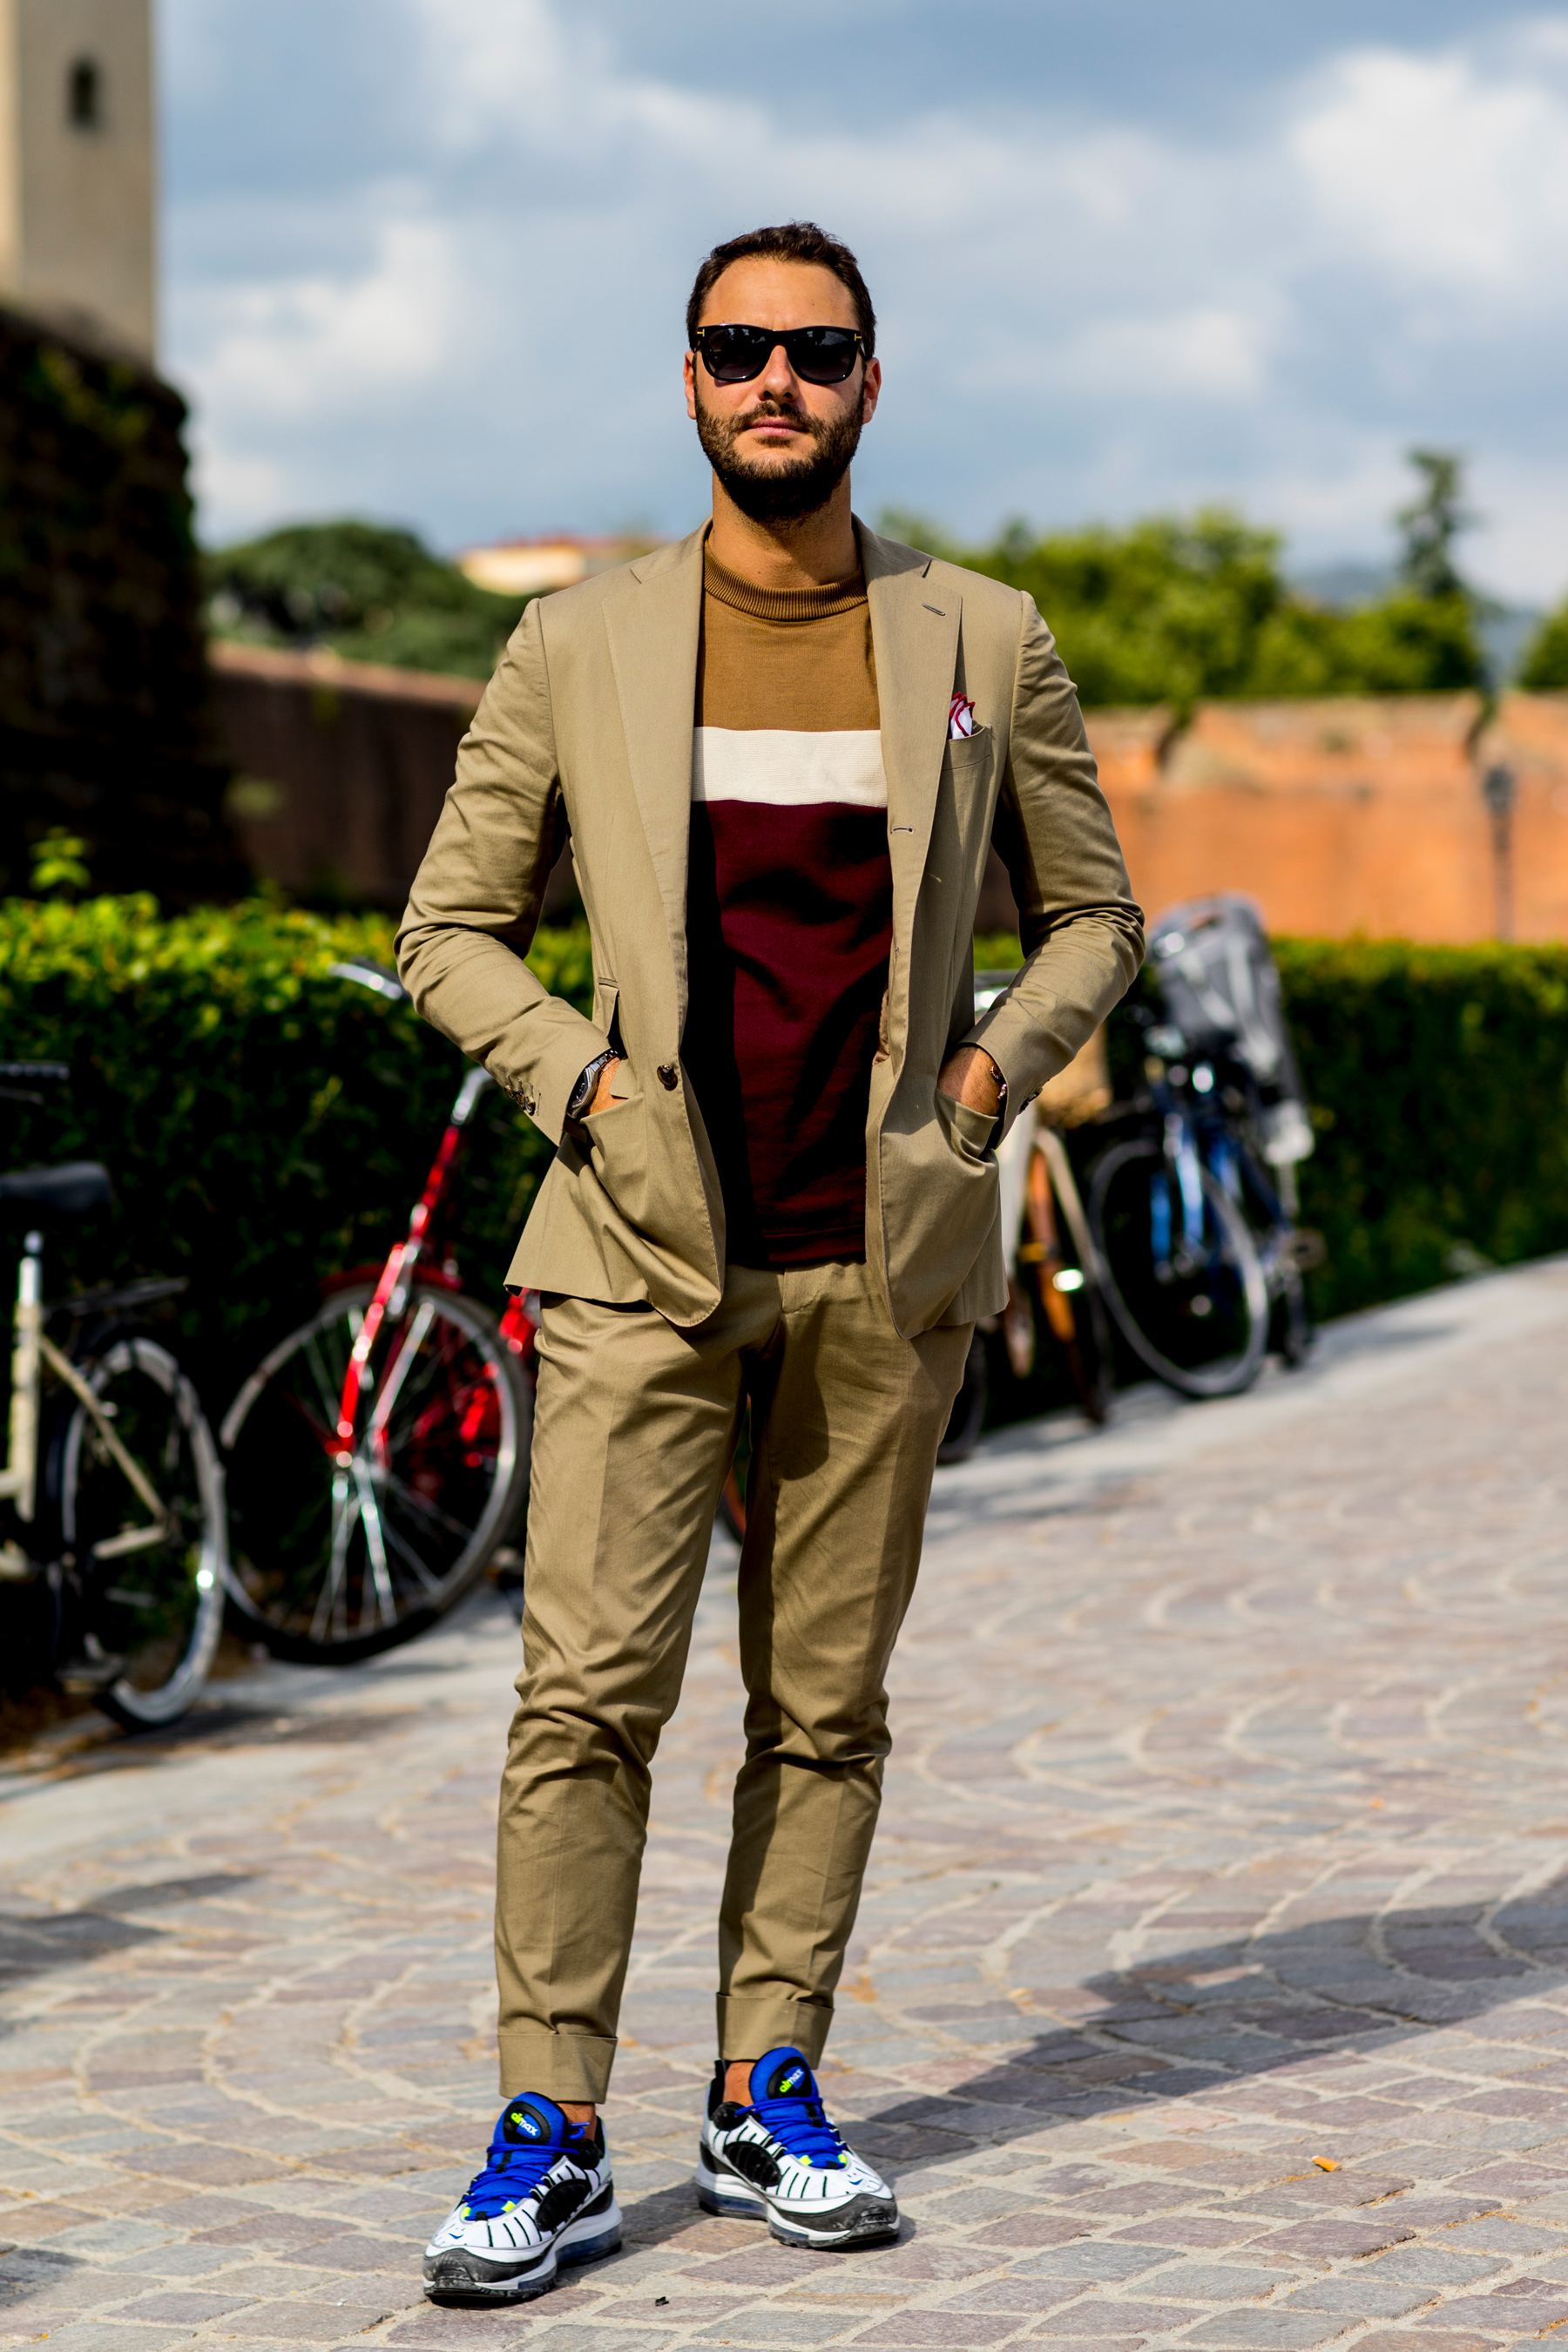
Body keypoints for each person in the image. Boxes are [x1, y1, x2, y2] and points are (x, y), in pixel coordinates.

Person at [397, 220, 1143, 2300]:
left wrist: (982, 1088)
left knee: (825, 1706)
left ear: (871, 384)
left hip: (880, 1257)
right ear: (692, 381)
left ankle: (764, 2087)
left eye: (816, 351)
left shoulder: (982, 637)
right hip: (637, 1251)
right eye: (737, 349)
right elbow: (448, 928)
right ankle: (550, 2132)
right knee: (585, 1701)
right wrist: (586, 1088)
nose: (776, 382)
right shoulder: (580, 643)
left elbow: (1096, 916)